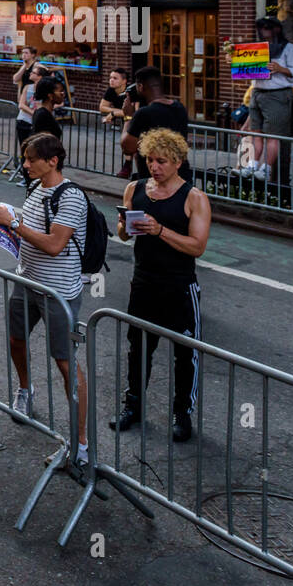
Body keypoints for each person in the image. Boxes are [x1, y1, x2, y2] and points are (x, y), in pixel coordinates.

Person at [0, 133, 90, 466]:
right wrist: (8, 216)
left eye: (31, 159)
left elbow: (55, 244)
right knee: (17, 339)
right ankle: (25, 391)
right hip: (26, 282)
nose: (25, 164)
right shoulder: (36, 188)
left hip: (58, 293)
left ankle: (81, 444)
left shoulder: (71, 196)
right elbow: (30, 226)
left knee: (65, 361)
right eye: (24, 158)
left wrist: (12, 223)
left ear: (52, 161)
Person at [112, 128, 211, 444]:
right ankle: (133, 407)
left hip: (180, 287)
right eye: (150, 160)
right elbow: (122, 234)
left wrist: (159, 230)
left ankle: (182, 414)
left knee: (186, 354)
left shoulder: (194, 198)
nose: (155, 167)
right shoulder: (135, 189)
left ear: (179, 162)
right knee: (138, 349)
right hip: (143, 283)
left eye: (162, 161)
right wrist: (126, 227)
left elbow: (197, 246)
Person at [234, 16, 293, 181]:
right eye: (261, 28)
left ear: (276, 29)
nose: (264, 31)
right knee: (256, 132)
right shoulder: (257, 48)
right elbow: (248, 69)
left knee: (273, 134)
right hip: (258, 92)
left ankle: (266, 169)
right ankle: (252, 166)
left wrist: (280, 69)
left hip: (277, 94)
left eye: (267, 28)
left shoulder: (288, 48)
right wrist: (238, 63)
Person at [122, 66, 191, 182]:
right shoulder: (180, 108)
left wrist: (128, 117)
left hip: (154, 180)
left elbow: (127, 147)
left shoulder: (144, 114)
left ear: (140, 87)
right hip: (180, 178)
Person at [99, 68, 134, 178]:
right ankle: (127, 166)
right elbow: (102, 107)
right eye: (110, 78)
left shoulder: (131, 92)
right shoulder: (111, 90)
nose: (111, 80)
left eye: (115, 78)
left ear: (124, 81)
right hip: (127, 118)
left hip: (138, 118)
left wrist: (114, 114)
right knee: (126, 143)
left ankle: (133, 168)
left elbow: (132, 112)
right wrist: (116, 112)